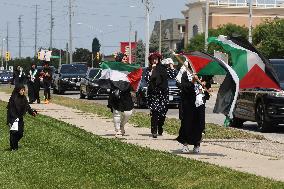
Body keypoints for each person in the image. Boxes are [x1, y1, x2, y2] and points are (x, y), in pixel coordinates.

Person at [176, 62, 207, 153]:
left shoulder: (202, 73)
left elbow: (206, 85)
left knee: (200, 124)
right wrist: (193, 81)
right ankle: (185, 144)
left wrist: (205, 84)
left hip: (200, 102)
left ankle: (197, 144)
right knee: (187, 124)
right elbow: (184, 88)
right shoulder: (185, 74)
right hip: (188, 103)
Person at [108, 53, 134, 137]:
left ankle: (122, 125)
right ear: (119, 59)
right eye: (123, 58)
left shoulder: (129, 69)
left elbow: (134, 77)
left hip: (126, 93)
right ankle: (118, 129)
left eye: (126, 59)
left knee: (128, 113)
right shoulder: (113, 69)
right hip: (116, 93)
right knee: (116, 112)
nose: (125, 60)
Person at [145, 53, 170, 138]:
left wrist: (172, 66)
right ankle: (154, 130)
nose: (154, 61)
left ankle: (160, 127)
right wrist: (152, 71)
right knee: (154, 112)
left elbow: (172, 75)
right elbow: (147, 80)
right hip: (153, 93)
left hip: (163, 93)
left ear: (159, 60)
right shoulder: (148, 70)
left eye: (156, 59)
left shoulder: (163, 68)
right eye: (152, 59)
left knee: (162, 113)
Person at [6, 84, 37, 151]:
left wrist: (32, 112)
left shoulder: (24, 98)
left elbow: (27, 107)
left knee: (20, 133)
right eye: (22, 90)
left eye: (24, 90)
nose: (23, 91)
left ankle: (14, 144)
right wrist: (9, 121)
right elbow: (9, 110)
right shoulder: (13, 99)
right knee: (14, 133)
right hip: (13, 118)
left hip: (20, 118)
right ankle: (14, 148)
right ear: (18, 90)